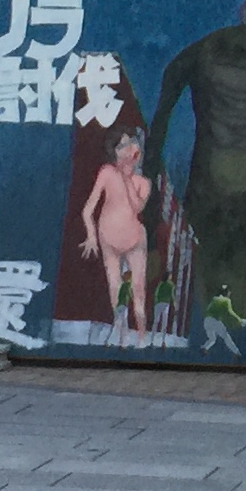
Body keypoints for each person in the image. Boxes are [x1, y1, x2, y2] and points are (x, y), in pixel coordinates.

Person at [76, 127, 155, 336]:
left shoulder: (143, 183)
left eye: (131, 144)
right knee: (115, 286)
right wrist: (91, 236)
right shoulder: (106, 172)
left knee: (138, 289)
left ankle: (142, 336)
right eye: (122, 145)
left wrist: (127, 178)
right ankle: (120, 333)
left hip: (134, 237)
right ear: (114, 152)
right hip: (108, 236)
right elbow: (88, 210)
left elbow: (137, 207)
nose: (128, 149)